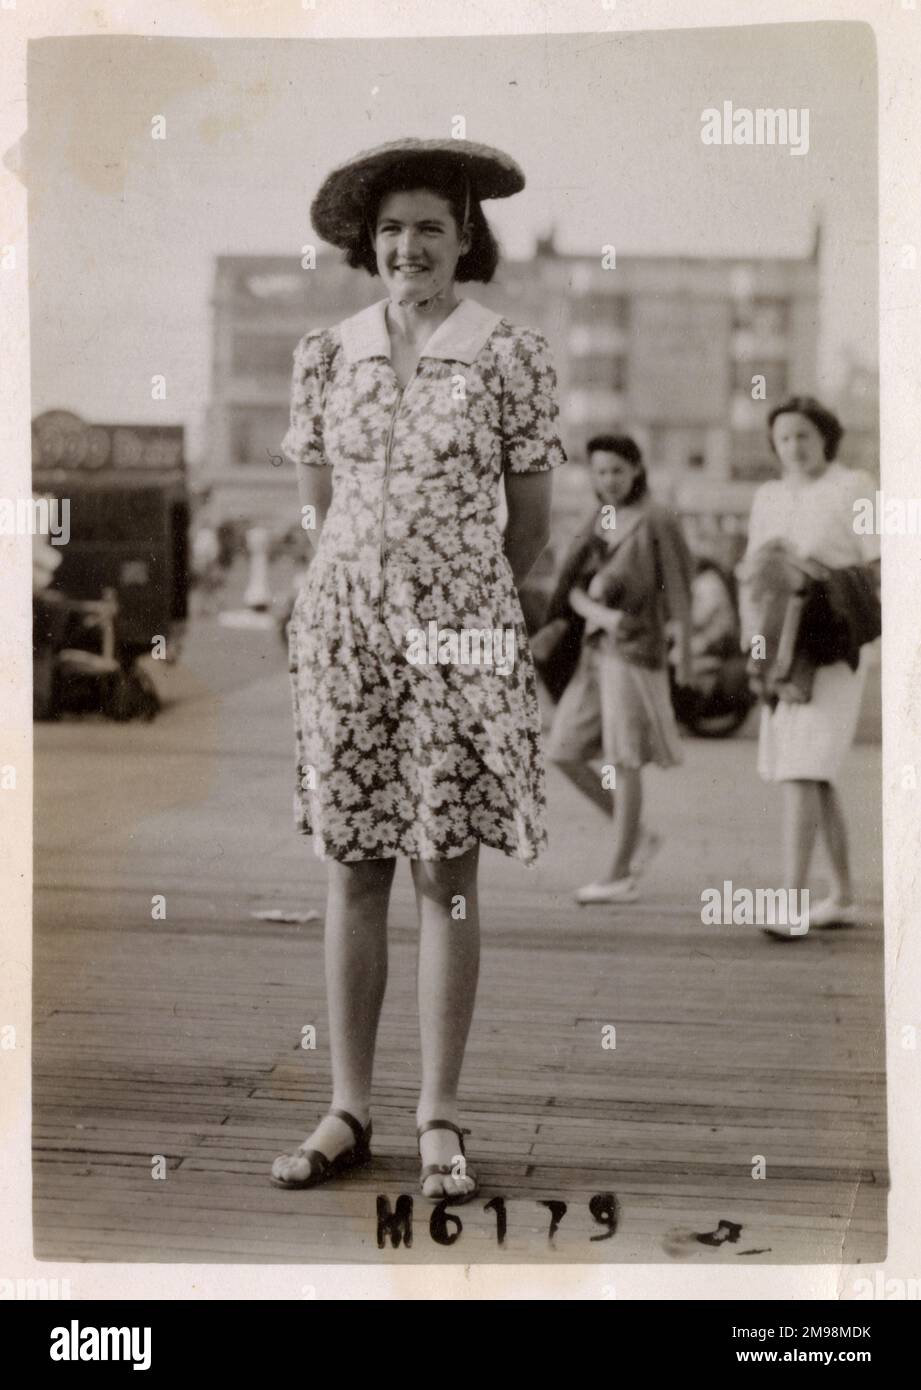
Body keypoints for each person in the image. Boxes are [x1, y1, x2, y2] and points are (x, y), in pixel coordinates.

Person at [271, 138, 566, 1200]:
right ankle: (348, 1104)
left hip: (461, 636)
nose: (409, 246)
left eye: (431, 227)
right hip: (346, 634)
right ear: (367, 240)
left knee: (445, 874)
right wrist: (357, 588)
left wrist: (450, 603)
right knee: (353, 865)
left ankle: (437, 1114)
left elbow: (529, 527)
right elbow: (317, 503)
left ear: (465, 238)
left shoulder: (509, 352)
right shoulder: (325, 352)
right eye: (391, 228)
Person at [738, 396, 881, 937]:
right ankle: (841, 894)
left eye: (803, 435)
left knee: (804, 765)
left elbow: (880, 562)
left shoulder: (853, 486)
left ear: (826, 436)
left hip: (832, 636)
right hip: (782, 640)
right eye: (783, 439)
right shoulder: (768, 494)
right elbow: (752, 571)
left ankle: (792, 905)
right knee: (807, 768)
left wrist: (811, 571)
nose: (793, 447)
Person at [545, 435, 693, 904]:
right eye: (601, 471)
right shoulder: (599, 519)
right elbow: (572, 583)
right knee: (564, 749)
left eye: (617, 470)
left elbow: (681, 589)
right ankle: (639, 838)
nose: (609, 480)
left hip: (635, 651)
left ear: (637, 469)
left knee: (625, 759)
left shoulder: (657, 517)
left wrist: (684, 651)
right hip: (595, 651)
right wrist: (585, 608)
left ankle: (618, 872)